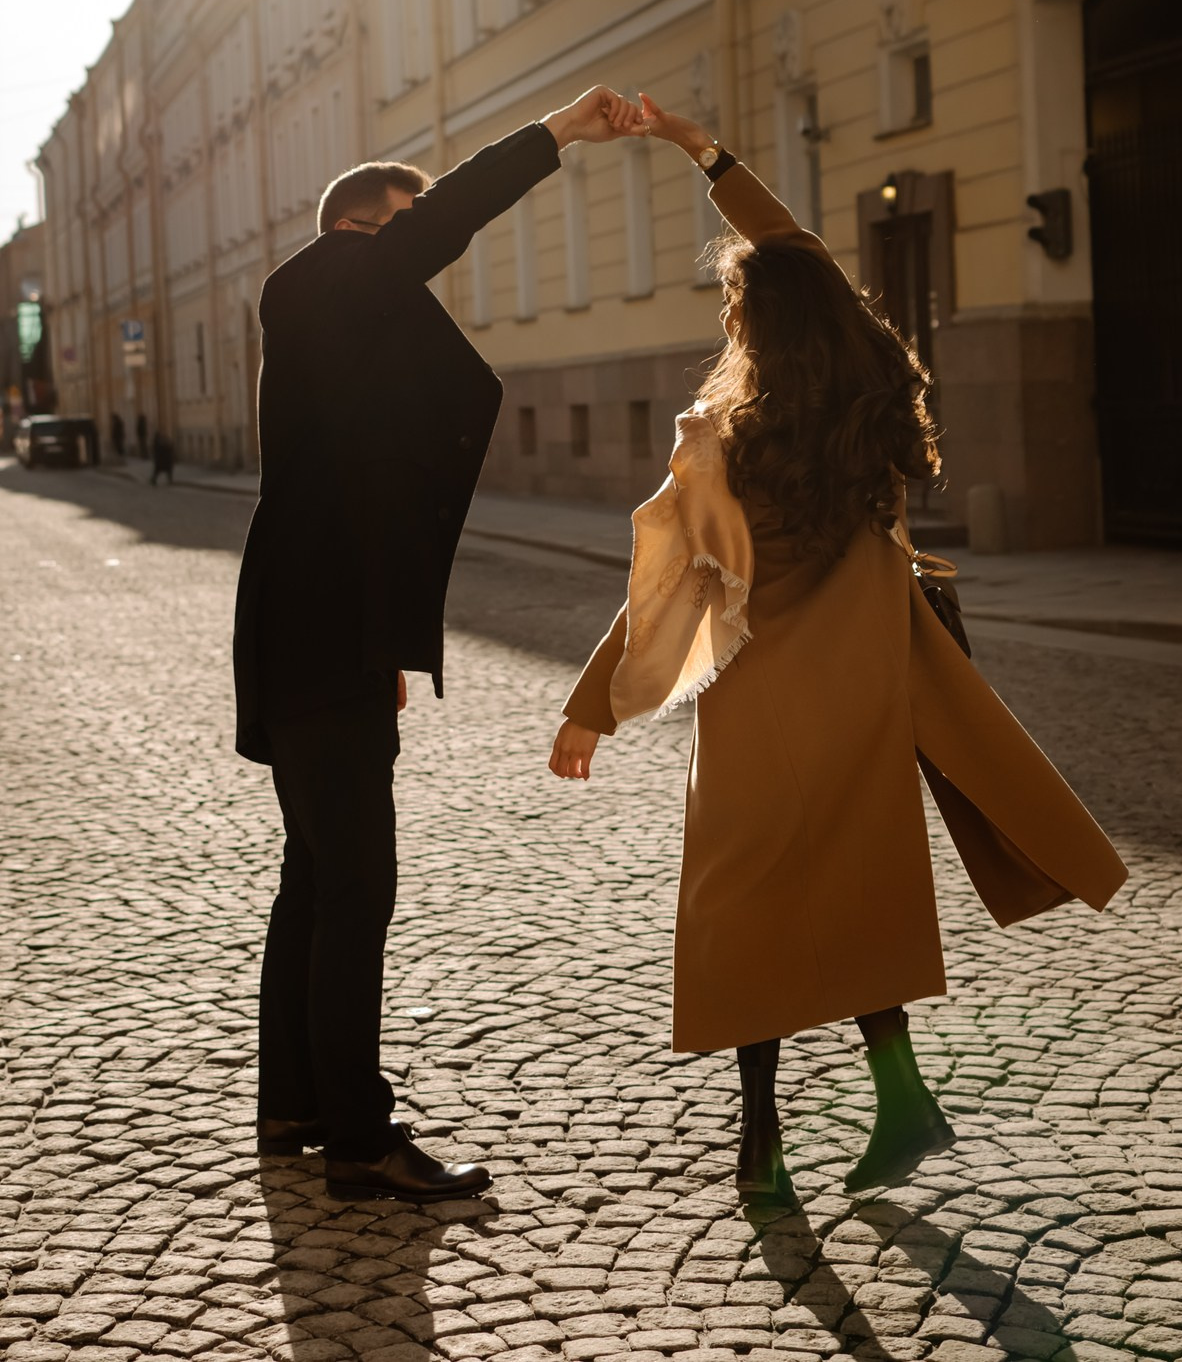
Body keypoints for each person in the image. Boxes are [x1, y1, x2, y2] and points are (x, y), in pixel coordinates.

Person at [550, 93, 1128, 1205]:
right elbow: (801, 256)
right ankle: (901, 1097)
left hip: (757, 704)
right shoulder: (870, 397)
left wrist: (590, 707)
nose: (727, 316)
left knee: (742, 915)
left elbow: (668, 592)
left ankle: (761, 1141)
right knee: (855, 893)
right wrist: (701, 150)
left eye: (734, 305)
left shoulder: (718, 444)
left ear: (751, 326)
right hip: (866, 694)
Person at [234, 86, 645, 1205]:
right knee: (354, 888)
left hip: (318, 632)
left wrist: (386, 641)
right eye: (401, 233)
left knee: (316, 876)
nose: (415, 262)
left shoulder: (333, 321)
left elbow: (371, 473)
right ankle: (360, 1142)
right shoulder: (323, 277)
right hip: (317, 631)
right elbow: (439, 224)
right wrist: (557, 132)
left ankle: (294, 1104)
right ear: (360, 226)